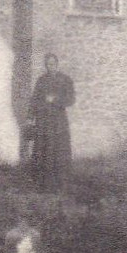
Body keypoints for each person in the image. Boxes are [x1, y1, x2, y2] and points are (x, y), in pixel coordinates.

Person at [28, 54, 75, 193]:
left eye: (53, 63)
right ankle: (42, 185)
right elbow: (34, 100)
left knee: (58, 152)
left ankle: (60, 185)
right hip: (43, 122)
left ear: (57, 64)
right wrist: (30, 117)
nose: (51, 66)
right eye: (48, 64)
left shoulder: (65, 80)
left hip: (58, 123)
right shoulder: (41, 80)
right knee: (42, 151)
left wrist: (55, 100)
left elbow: (71, 100)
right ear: (45, 65)